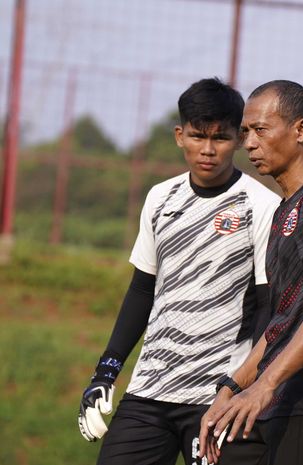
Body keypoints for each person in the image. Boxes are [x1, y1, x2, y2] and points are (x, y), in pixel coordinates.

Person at [77, 77, 280, 465]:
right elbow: (142, 290)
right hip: (150, 389)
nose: (207, 150)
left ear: (238, 139)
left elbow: (267, 307)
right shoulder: (160, 198)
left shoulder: (262, 205)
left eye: (220, 138)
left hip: (219, 397)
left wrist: (242, 388)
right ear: (179, 135)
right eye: (197, 136)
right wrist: (105, 372)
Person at [197, 80, 303, 465]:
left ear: (301, 130)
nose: (249, 143)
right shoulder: (283, 211)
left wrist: (266, 385)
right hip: (271, 401)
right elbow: (282, 323)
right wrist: (232, 386)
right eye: (245, 132)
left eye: (261, 129)